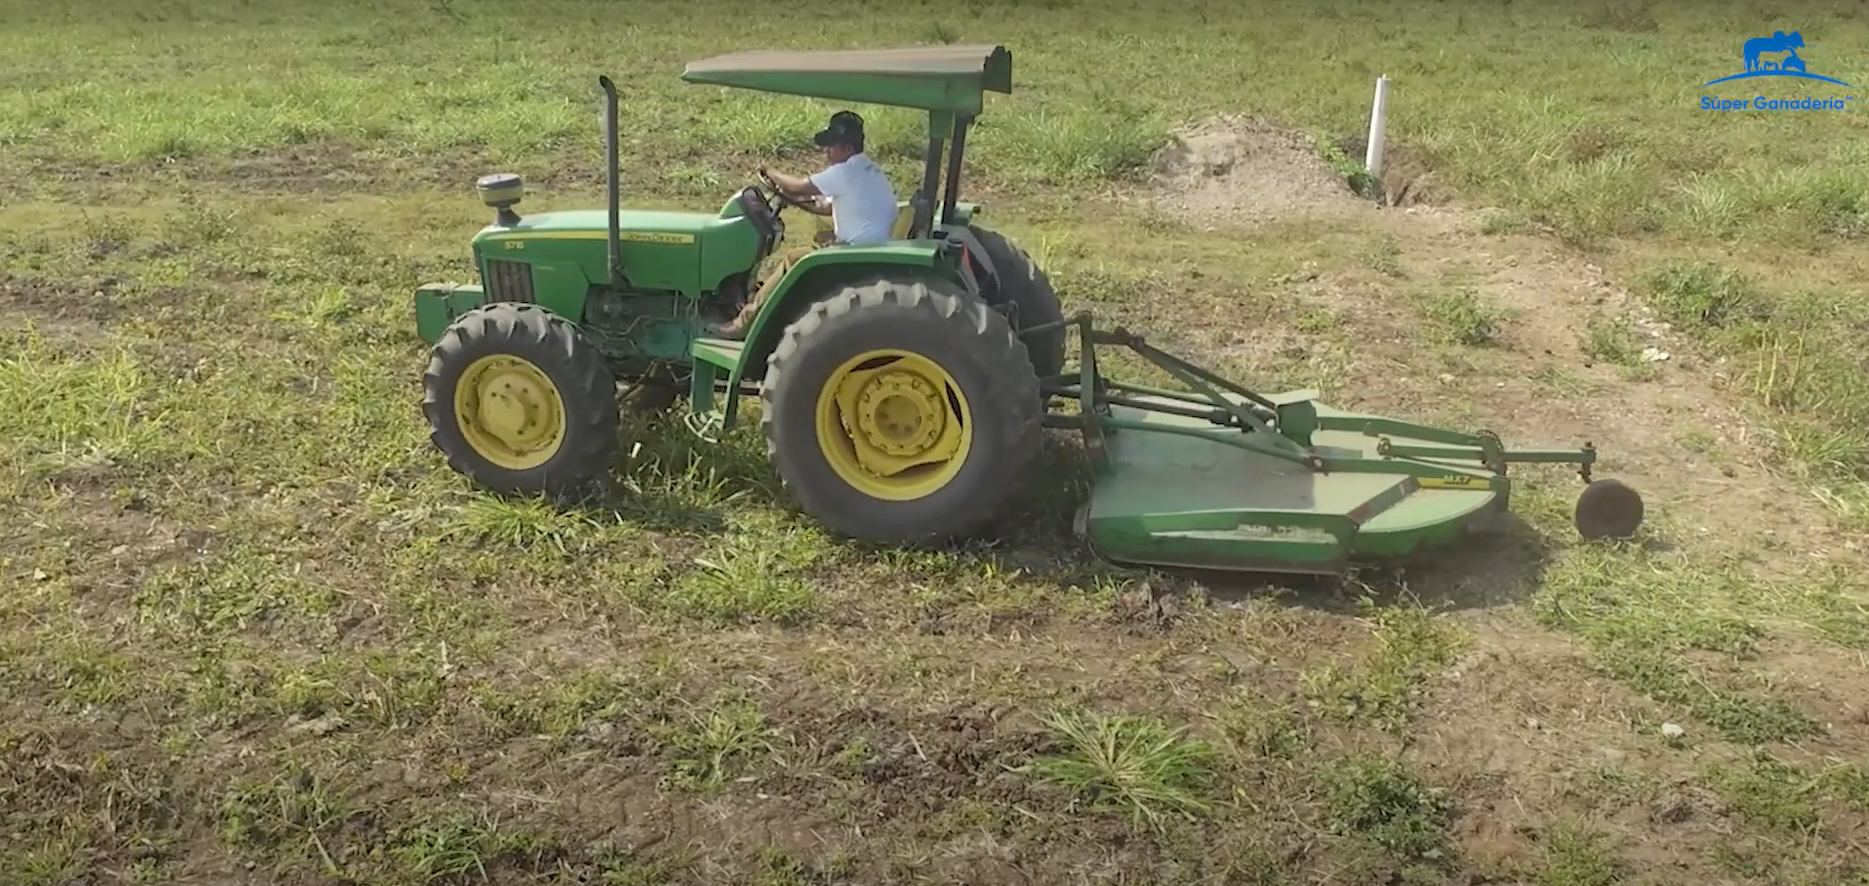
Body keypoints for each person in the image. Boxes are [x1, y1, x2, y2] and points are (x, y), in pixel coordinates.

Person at [706, 110, 899, 340]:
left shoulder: (845, 172)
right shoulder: (869, 170)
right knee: (817, 239)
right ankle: (759, 306)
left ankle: (743, 324)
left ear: (847, 148)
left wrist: (769, 172)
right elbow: (827, 207)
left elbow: (797, 186)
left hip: (855, 253)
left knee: (793, 259)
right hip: (868, 248)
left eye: (831, 146)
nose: (826, 152)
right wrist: (795, 201)